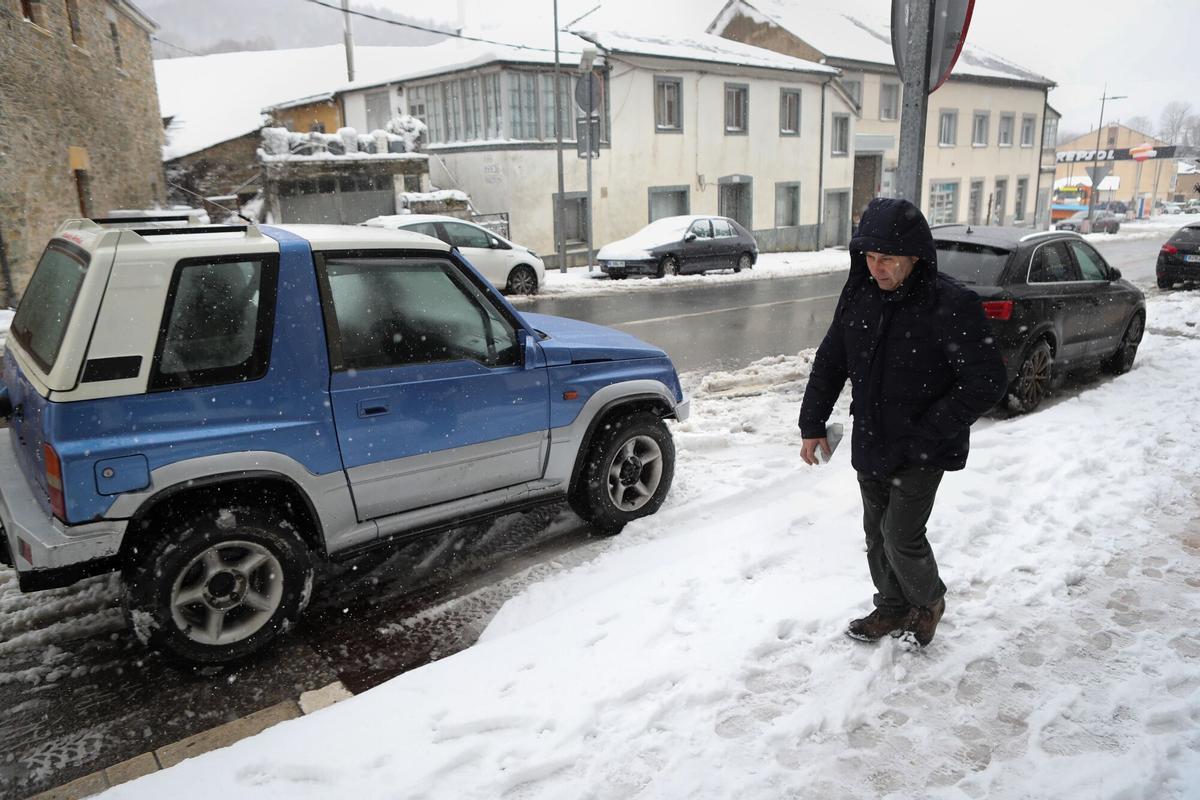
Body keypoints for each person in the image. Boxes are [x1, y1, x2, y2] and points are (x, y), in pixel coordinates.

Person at [798, 197, 1007, 647]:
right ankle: (890, 607)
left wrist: (931, 427)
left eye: (888, 258)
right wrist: (812, 423)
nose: (878, 268)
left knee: (900, 535)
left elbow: (987, 380)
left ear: (915, 256)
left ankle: (927, 601)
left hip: (924, 445)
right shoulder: (858, 295)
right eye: (870, 258)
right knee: (876, 533)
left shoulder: (951, 304)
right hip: (872, 436)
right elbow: (831, 360)